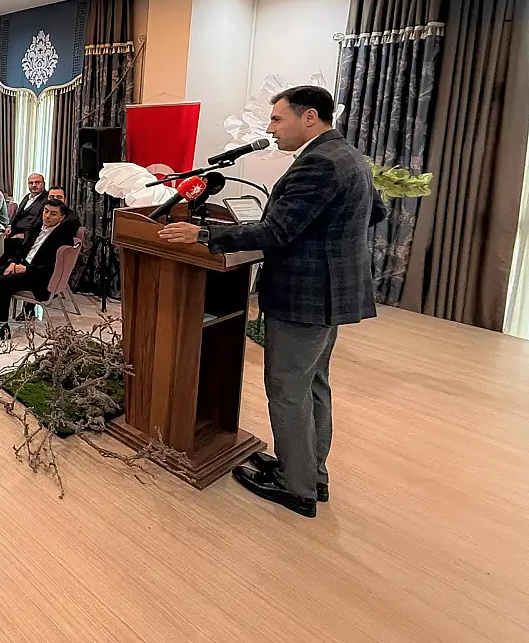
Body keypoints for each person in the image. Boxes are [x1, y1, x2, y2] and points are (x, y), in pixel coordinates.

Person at [157, 85, 385, 519]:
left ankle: (296, 486)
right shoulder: (349, 155)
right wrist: (332, 239)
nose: (270, 127)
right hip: (329, 291)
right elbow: (376, 212)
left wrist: (202, 233)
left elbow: (276, 232)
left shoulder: (318, 162)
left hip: (305, 293)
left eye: (278, 118)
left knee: (287, 388)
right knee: (312, 382)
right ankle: (309, 471)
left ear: (309, 117)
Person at [0, 199, 76, 341]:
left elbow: (50, 267)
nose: (47, 216)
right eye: (46, 211)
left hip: (40, 276)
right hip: (25, 265)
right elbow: (23, 248)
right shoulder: (37, 227)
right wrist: (13, 262)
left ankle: (2, 328)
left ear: (62, 217)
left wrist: (25, 269)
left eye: (53, 214)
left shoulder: (63, 237)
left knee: (3, 282)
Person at [5, 172, 48, 257]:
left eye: (37, 182)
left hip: (28, 237)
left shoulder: (46, 200)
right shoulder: (27, 196)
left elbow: (39, 222)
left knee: (1, 248)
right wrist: (10, 226)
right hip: (15, 232)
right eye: (31, 183)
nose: (34, 185)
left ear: (43, 184)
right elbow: (17, 215)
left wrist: (25, 235)